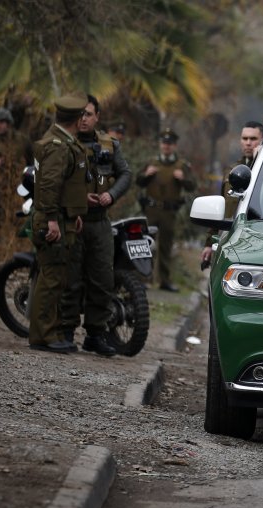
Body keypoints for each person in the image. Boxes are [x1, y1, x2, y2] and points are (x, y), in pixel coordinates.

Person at [59, 95, 132, 356]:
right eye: (79, 114)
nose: (83, 118)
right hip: (72, 220)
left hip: (100, 222)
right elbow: (54, 181)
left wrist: (111, 194)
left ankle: (96, 334)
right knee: (71, 278)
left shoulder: (109, 145)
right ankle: (66, 330)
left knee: (102, 279)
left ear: (97, 116)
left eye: (88, 114)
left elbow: (125, 174)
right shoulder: (64, 143)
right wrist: (78, 199)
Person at [28, 95, 91, 354]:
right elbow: (49, 185)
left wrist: (71, 212)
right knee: (51, 278)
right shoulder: (58, 145)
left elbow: (65, 185)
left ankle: (50, 331)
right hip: (52, 220)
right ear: (78, 119)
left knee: (57, 277)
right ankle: (42, 335)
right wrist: (53, 219)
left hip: (62, 218)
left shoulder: (64, 141)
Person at [136, 128, 195, 291]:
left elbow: (192, 186)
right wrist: (146, 175)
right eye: (164, 143)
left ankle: (165, 280)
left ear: (174, 146)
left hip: (169, 211)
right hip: (151, 209)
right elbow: (138, 181)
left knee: (166, 246)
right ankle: (144, 279)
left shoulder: (181, 165)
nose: (166, 146)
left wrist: (183, 179)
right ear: (160, 145)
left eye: (169, 144)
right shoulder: (151, 162)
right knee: (146, 244)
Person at [201, 121, 263, 269]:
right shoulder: (231, 170)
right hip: (226, 240)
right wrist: (209, 244)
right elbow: (220, 207)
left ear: (262, 141)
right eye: (244, 138)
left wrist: (257, 162)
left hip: (255, 241)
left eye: (253, 139)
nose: (248, 143)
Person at [0, 106, 34, 172]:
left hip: (19, 178)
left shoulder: (22, 140)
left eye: (1, 122)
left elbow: (33, 160)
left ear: (8, 124)